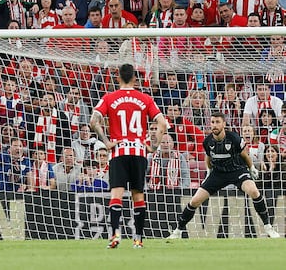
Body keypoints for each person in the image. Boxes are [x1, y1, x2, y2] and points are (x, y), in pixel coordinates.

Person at [167, 111, 280, 239]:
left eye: (217, 122)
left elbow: (244, 154)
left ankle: (268, 227)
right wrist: (209, 170)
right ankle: (178, 231)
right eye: (212, 122)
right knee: (195, 201)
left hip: (237, 170)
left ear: (224, 124)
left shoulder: (234, 138)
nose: (214, 125)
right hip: (218, 174)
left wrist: (251, 167)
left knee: (254, 191)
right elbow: (208, 157)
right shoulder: (207, 141)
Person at [90, 63, 167, 248]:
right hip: (139, 152)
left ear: (118, 78)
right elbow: (162, 124)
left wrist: (107, 142)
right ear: (134, 78)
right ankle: (138, 239)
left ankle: (115, 235)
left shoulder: (109, 98)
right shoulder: (145, 98)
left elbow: (93, 121)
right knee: (138, 196)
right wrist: (154, 146)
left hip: (119, 152)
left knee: (116, 194)